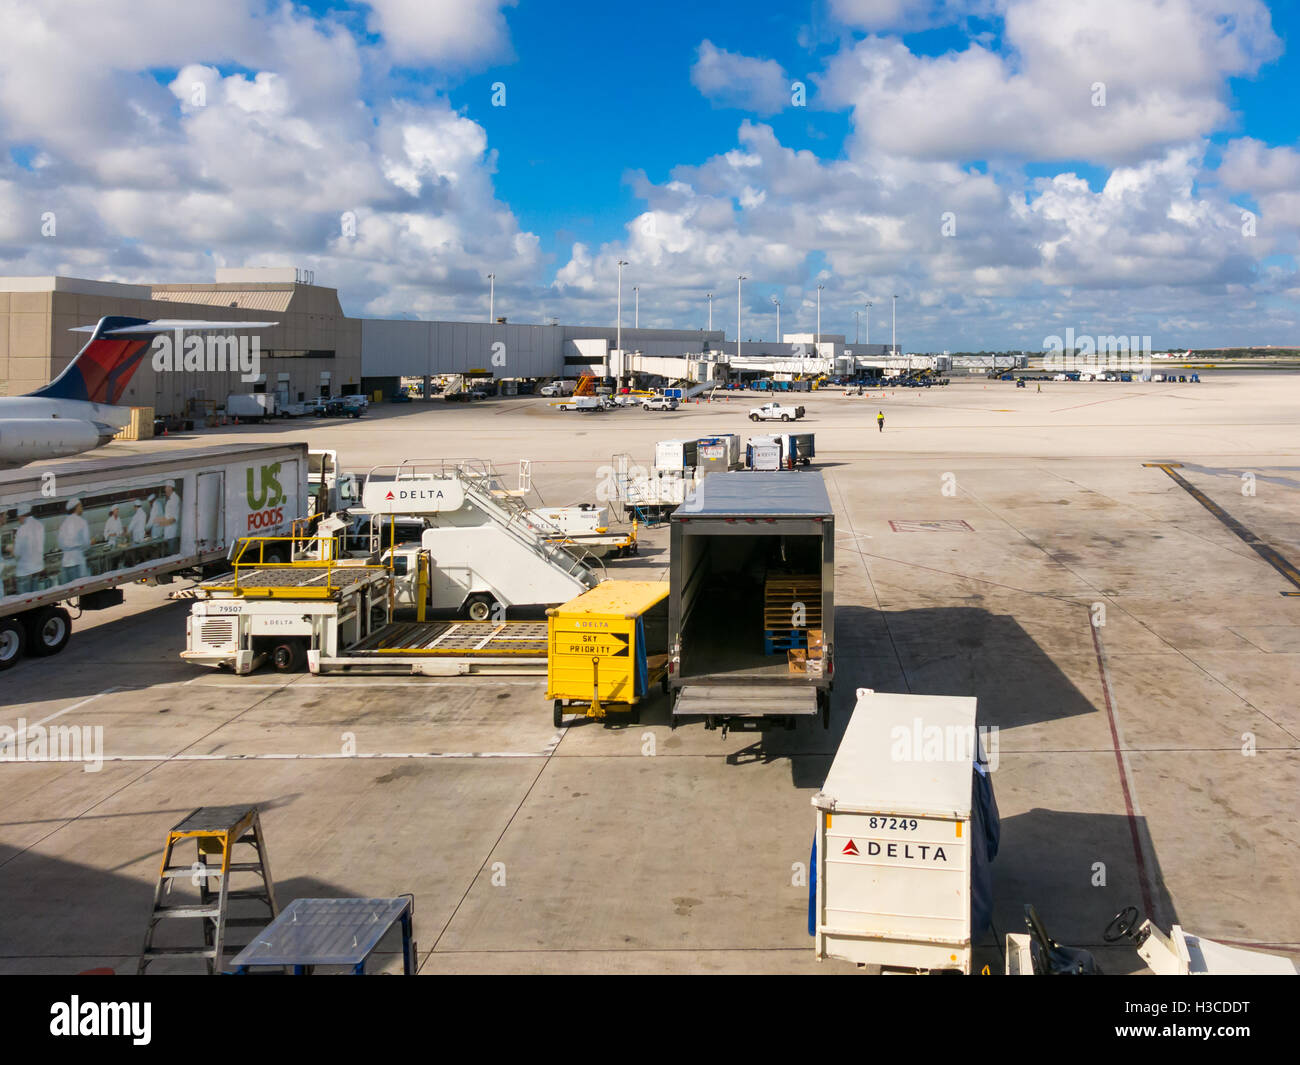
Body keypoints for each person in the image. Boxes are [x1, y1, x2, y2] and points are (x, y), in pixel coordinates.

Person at [10, 503, 46, 594]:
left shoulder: (22, 529)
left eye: (19, 518)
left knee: (25, 602)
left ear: (22, 515)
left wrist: (11, 549)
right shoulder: (39, 525)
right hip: (37, 569)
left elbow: (17, 553)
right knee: (35, 599)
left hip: (24, 572)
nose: (19, 521)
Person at [57, 498, 91, 584]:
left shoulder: (63, 523)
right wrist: (91, 542)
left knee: (69, 591)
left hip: (65, 563)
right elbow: (86, 544)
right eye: (81, 506)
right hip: (77, 562)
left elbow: (60, 544)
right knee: (80, 588)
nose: (82, 508)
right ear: (76, 507)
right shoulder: (82, 522)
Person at [158, 480, 181, 551]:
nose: (164, 489)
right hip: (169, 532)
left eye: (166, 487)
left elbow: (174, 518)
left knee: (173, 552)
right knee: (171, 551)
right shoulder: (171, 499)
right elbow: (169, 516)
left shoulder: (175, 499)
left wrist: (162, 523)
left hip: (172, 532)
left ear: (170, 488)